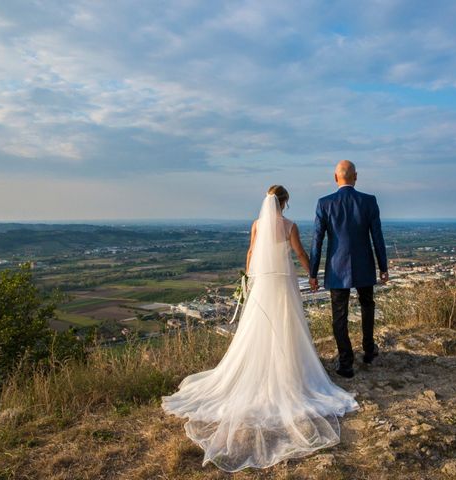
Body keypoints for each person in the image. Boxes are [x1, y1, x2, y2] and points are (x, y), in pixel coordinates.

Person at [162, 185, 359, 472]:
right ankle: (286, 369)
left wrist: (248, 280)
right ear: (285, 202)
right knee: (286, 324)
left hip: (262, 282)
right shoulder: (288, 225)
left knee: (258, 328)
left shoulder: (257, 225)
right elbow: (300, 253)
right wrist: (312, 275)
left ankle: (264, 368)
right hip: (282, 282)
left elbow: (252, 251)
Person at [309, 161, 388, 378]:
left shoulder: (324, 203)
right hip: (364, 264)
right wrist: (383, 267)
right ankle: (369, 350)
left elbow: (317, 241)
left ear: (336, 178)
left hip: (336, 267)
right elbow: (377, 237)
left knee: (339, 315)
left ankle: (346, 363)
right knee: (367, 306)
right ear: (356, 176)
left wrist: (313, 273)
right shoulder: (369, 201)